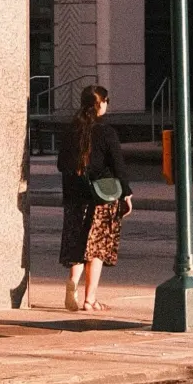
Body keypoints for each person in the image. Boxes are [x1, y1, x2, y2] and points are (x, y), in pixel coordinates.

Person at [56, 84, 134, 312]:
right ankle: (90, 300)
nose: (107, 105)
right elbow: (118, 165)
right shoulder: (107, 132)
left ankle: (73, 280)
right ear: (99, 104)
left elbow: (62, 164)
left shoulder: (71, 131)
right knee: (97, 248)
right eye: (106, 101)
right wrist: (127, 193)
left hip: (74, 197)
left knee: (78, 243)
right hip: (101, 197)